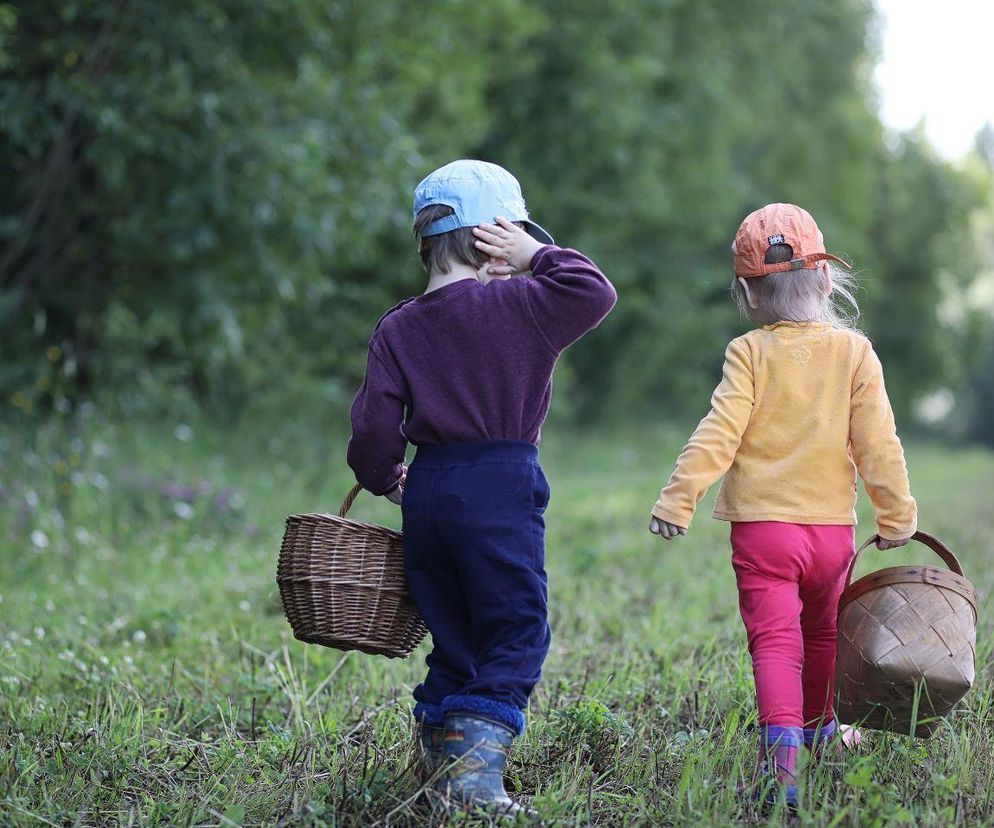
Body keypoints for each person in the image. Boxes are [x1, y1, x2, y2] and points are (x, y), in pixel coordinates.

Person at [347, 159, 616, 813]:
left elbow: (373, 428)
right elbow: (595, 291)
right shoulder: (525, 303)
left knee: (456, 634)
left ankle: (441, 762)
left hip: (431, 491)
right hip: (500, 483)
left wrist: (386, 479)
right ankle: (471, 779)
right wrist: (538, 254)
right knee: (517, 630)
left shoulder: (398, 326)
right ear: (494, 239)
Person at [647, 203, 917, 808]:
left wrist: (679, 497)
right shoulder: (856, 355)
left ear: (748, 293)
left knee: (774, 644)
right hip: (831, 536)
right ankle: (821, 728)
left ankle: (784, 768)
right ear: (825, 277)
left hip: (763, 532)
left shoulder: (749, 353)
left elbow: (718, 430)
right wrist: (897, 513)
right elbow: (879, 443)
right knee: (823, 636)